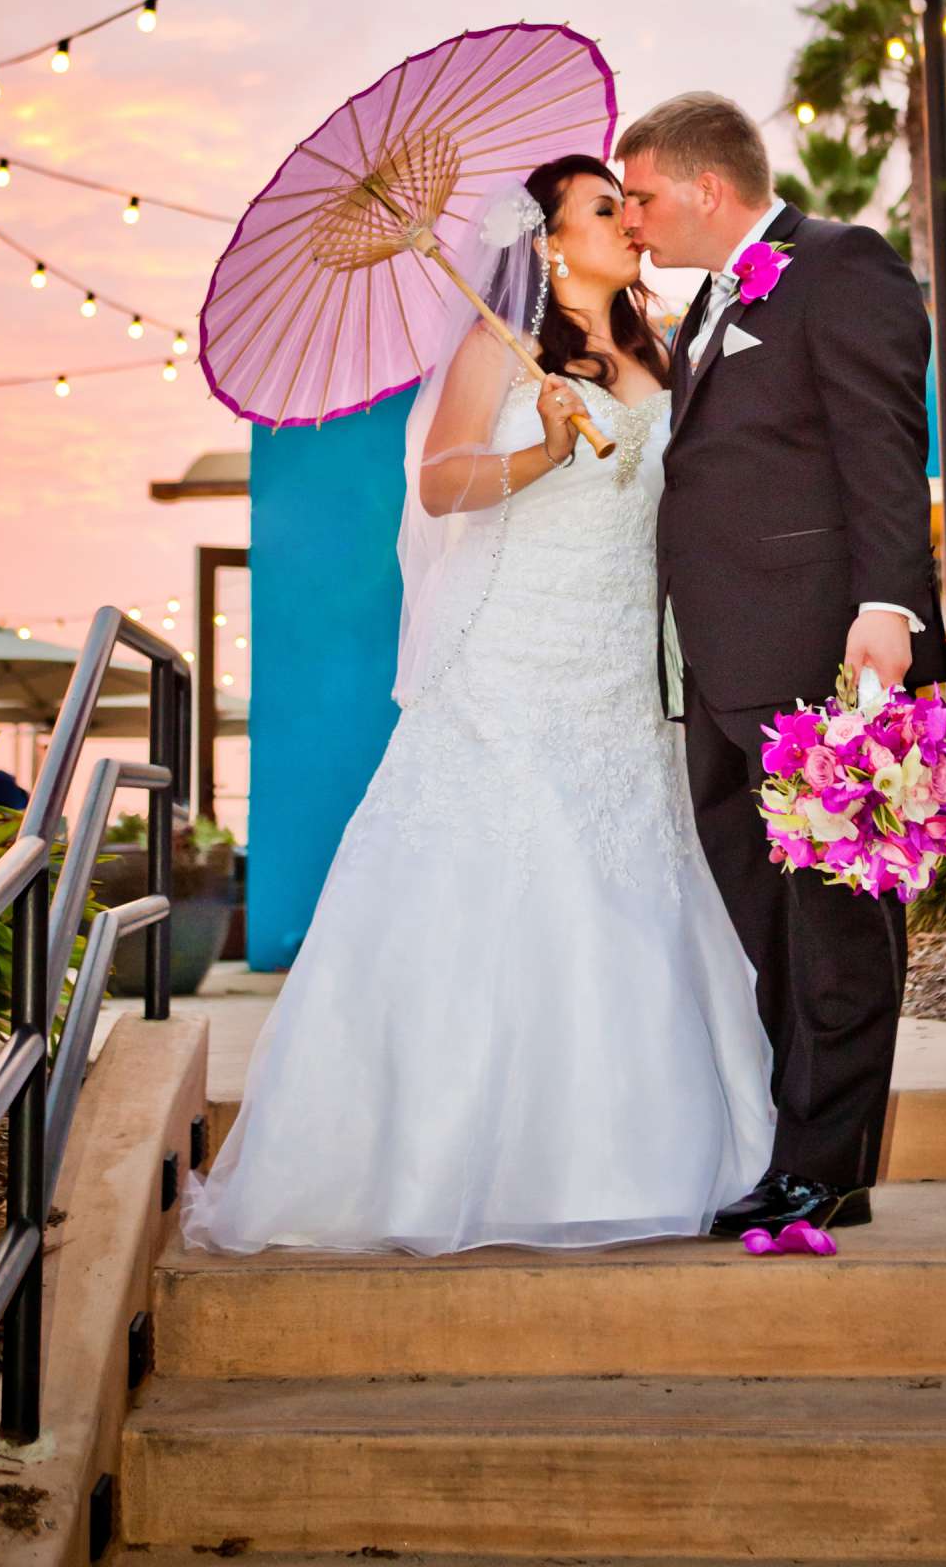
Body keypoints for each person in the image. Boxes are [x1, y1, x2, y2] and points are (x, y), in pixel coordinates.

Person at [183, 155, 773, 1256]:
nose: (631, 222)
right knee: (515, 876)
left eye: (630, 205)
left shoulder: (662, 352)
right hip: (512, 654)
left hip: (623, 664)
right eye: (607, 209)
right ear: (548, 240)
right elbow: (441, 482)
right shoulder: (489, 351)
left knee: (631, 884)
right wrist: (545, 451)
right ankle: (453, 1168)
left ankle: (641, 1155)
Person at [617, 92, 946, 1240]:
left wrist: (887, 608)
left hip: (823, 655)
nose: (633, 222)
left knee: (837, 928)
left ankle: (828, 1170)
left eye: (644, 196)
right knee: (767, 928)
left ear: (709, 188)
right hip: (716, 671)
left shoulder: (838, 264)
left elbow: (881, 440)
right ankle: (795, 1151)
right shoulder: (706, 303)